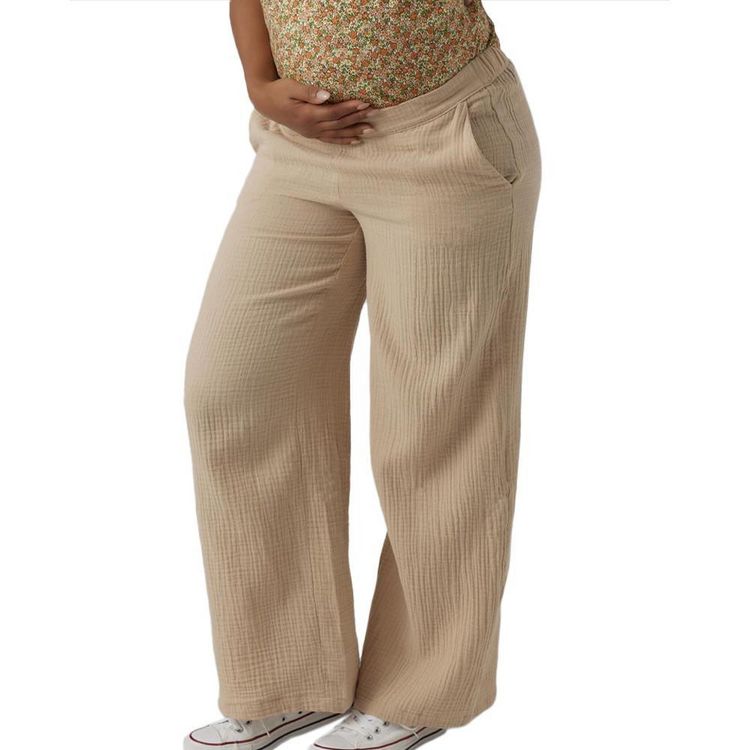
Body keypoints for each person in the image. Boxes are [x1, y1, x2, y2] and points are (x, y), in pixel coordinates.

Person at [182, 0, 541, 747]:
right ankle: (287, 679)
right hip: (297, 150)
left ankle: (420, 691)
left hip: (443, 138)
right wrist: (258, 81)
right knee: (236, 390)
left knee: (433, 423)